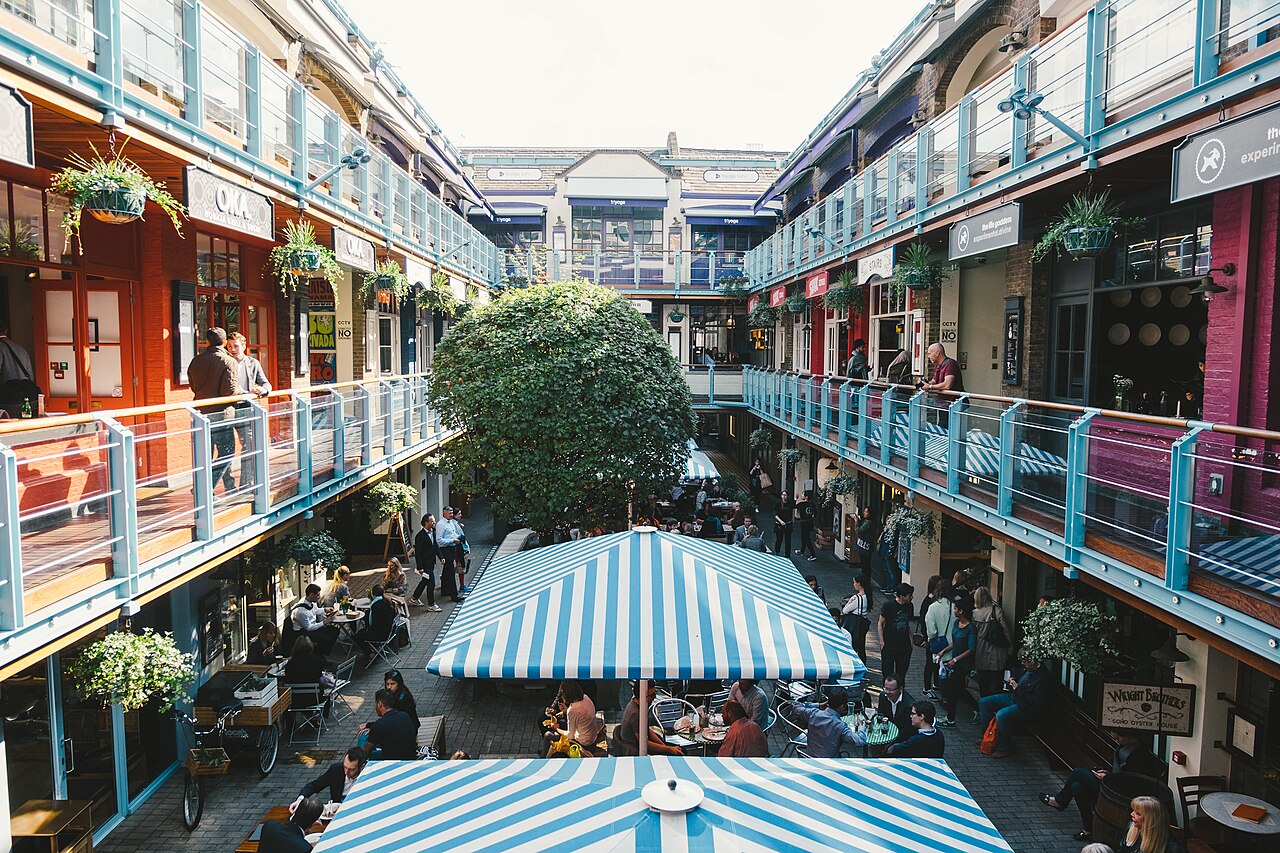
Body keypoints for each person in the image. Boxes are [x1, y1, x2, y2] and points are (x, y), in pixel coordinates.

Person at [1041, 730, 1166, 843]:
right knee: (1076, 786)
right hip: (1113, 783)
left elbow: (1130, 779)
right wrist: (1107, 772)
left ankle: (1060, 801)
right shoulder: (1125, 747)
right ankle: (1088, 827)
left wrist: (1107, 777)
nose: (1117, 741)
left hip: (1118, 791)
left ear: (1128, 737)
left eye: (1118, 738)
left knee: (1078, 772)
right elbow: (1120, 769)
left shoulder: (1139, 754)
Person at [186, 327, 244, 493]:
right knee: (226, 452)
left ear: (208, 341)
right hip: (222, 413)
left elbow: (193, 386)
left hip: (201, 412)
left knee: (205, 453)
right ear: (225, 342)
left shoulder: (196, 361)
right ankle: (204, 488)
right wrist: (242, 390)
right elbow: (229, 390)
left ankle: (204, 488)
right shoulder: (228, 361)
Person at [977, 651, 1052, 758]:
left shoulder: (1043, 678)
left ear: (1033, 661)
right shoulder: (1027, 668)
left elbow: (1038, 701)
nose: (1022, 663)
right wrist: (1012, 678)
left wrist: (1018, 689)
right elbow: (1016, 673)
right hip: (1014, 697)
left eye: (1024, 661)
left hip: (1026, 706)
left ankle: (1003, 747)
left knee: (1001, 715)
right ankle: (988, 737)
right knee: (984, 702)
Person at [226, 332, 270, 488]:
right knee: (226, 449)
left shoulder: (253, 363)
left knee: (249, 445)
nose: (232, 349)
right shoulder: (224, 362)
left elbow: (266, 384)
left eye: (236, 346)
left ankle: (246, 483)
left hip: (245, 408)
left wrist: (262, 390)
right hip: (226, 409)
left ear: (243, 346)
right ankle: (229, 486)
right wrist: (247, 393)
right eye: (229, 346)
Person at [789, 686, 864, 758]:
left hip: (809, 757)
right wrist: (861, 726)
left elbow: (796, 707)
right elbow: (859, 741)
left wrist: (819, 705)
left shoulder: (813, 714)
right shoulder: (840, 725)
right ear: (842, 706)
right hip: (829, 762)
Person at [612, 685, 684, 757]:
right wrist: (669, 749)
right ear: (642, 696)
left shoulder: (638, 705)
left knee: (678, 749)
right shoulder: (635, 713)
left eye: (655, 694)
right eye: (652, 695)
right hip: (635, 751)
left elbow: (648, 731)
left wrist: (664, 746)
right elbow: (644, 743)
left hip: (640, 746)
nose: (654, 698)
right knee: (680, 753)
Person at [937, 598, 977, 728]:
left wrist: (955, 660)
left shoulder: (971, 628)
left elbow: (971, 649)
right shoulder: (956, 623)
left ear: (961, 611)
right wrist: (943, 651)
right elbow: (955, 642)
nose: (954, 611)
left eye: (955, 609)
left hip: (962, 664)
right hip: (954, 661)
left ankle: (950, 719)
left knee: (953, 691)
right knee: (959, 690)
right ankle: (978, 707)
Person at [972, 587, 1015, 698]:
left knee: (983, 680)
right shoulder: (997, 610)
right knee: (997, 679)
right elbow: (1006, 630)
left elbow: (973, 632)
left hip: (981, 648)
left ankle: (984, 702)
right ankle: (995, 702)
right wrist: (1010, 647)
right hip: (997, 648)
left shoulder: (975, 613)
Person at [358, 688, 417, 760]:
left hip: (392, 762)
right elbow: (390, 724)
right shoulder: (404, 716)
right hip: (410, 758)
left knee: (363, 737)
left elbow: (367, 750)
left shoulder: (379, 725)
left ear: (379, 704)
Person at [297, 747, 366, 804]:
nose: (346, 772)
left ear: (362, 767)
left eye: (351, 770)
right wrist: (300, 799)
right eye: (345, 767)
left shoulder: (368, 776)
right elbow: (314, 785)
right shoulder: (336, 770)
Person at [551, 680, 603, 756]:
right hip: (592, 739)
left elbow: (570, 735)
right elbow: (581, 714)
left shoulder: (572, 710)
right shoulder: (586, 698)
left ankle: (545, 756)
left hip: (584, 743)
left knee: (548, 735)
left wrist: (555, 728)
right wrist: (565, 712)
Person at [921, 576, 953, 700]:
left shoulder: (933, 606)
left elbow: (930, 629)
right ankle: (937, 686)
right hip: (950, 643)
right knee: (939, 665)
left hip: (935, 642)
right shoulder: (954, 605)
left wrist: (928, 639)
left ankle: (930, 687)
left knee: (931, 663)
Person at [1118, 796, 1185, 853]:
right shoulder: (1132, 828)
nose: (1132, 814)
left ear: (1150, 820)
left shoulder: (1172, 847)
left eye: (1138, 814)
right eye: (1133, 810)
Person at [878, 584, 916, 683]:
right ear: (902, 596)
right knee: (887, 673)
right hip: (889, 644)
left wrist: (911, 640)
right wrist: (882, 641)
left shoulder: (909, 606)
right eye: (909, 595)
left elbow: (907, 623)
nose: (911, 597)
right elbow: (880, 623)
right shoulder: (888, 606)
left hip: (904, 645)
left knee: (901, 673)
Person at [290, 583, 338, 656]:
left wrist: (325, 610)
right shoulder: (301, 612)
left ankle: (323, 653)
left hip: (312, 627)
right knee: (326, 639)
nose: (319, 597)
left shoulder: (311, 601)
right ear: (311, 595)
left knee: (335, 631)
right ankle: (317, 654)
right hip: (302, 631)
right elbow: (309, 628)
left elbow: (315, 610)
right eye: (317, 595)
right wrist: (324, 622)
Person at [353, 584, 395, 659]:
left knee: (356, 636)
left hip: (381, 634)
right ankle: (373, 649)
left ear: (372, 594)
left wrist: (367, 627)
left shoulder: (376, 606)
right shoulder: (386, 602)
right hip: (389, 632)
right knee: (361, 632)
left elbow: (374, 625)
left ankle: (370, 653)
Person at [410, 513, 442, 611]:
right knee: (431, 583)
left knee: (425, 581)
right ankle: (431, 604)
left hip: (431, 562)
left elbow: (435, 545)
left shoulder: (433, 531)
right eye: (432, 521)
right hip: (425, 564)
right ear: (426, 522)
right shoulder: (420, 536)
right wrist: (420, 567)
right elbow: (418, 553)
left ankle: (414, 598)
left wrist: (441, 557)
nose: (434, 522)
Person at [839, 576, 873, 663]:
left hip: (854, 624)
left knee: (853, 644)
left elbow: (845, 610)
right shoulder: (867, 597)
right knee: (861, 646)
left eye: (854, 582)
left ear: (859, 584)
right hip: (862, 623)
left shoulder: (857, 598)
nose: (854, 584)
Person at [436, 506, 464, 601]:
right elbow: (439, 540)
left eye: (452, 513)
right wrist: (452, 540)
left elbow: (452, 534)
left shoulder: (451, 522)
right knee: (451, 571)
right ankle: (454, 595)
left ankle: (444, 590)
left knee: (447, 570)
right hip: (445, 549)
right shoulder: (441, 524)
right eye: (449, 513)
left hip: (452, 548)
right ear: (444, 513)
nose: (451, 515)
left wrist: (458, 538)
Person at [876, 673, 914, 742]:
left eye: (891, 690)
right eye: (885, 688)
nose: (887, 692)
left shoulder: (909, 705)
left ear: (901, 689)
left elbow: (908, 729)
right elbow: (881, 715)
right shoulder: (882, 696)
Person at [383, 669, 420, 734]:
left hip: (408, 731)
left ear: (398, 684)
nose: (389, 687)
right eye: (387, 684)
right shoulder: (396, 693)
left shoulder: (402, 698)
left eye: (392, 684)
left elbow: (391, 718)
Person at [854, 507, 879, 577]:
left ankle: (865, 579)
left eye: (866, 512)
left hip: (865, 545)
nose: (864, 513)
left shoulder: (868, 523)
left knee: (865, 563)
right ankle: (866, 578)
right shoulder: (869, 522)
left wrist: (856, 521)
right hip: (867, 545)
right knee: (866, 563)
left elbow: (858, 531)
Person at [794, 491, 817, 560]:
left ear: (806, 497)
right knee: (804, 537)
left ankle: (813, 555)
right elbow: (816, 513)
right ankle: (802, 550)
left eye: (803, 495)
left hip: (804, 523)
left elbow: (794, 506)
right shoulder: (812, 504)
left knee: (806, 538)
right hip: (810, 522)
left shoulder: (802, 504)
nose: (802, 496)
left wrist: (796, 499)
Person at [772, 491, 794, 556]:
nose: (784, 497)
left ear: (788, 496)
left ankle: (787, 554)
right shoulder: (778, 503)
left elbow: (792, 510)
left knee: (788, 540)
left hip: (788, 523)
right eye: (783, 495)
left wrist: (792, 520)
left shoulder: (790, 503)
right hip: (779, 524)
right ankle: (777, 552)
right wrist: (780, 521)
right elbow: (775, 513)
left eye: (785, 495)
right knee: (779, 539)